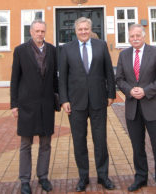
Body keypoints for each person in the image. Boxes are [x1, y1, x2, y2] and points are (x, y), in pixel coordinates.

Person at [59, 17, 116, 192]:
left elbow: (108, 71)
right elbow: (62, 77)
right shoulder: (67, 49)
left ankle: (103, 176)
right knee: (79, 141)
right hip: (76, 103)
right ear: (75, 31)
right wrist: (64, 100)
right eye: (80, 29)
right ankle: (83, 177)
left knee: (100, 140)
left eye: (86, 29)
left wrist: (111, 94)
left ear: (90, 30)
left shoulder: (101, 45)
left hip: (99, 100)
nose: (83, 32)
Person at [115, 24, 156, 194]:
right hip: (133, 109)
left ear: (144, 36)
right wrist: (129, 90)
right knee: (137, 146)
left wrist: (145, 91)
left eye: (138, 35)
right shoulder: (124, 54)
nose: (134, 38)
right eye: (131, 36)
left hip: (153, 107)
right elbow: (119, 78)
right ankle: (140, 177)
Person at [10, 20, 58, 194]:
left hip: (46, 104)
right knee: (26, 144)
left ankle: (43, 177)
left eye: (42, 31)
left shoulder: (52, 50)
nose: (40, 34)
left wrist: (58, 100)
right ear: (30, 32)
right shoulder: (20, 51)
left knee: (46, 143)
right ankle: (24, 180)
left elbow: (54, 78)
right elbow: (15, 79)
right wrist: (14, 104)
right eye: (37, 31)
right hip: (26, 105)